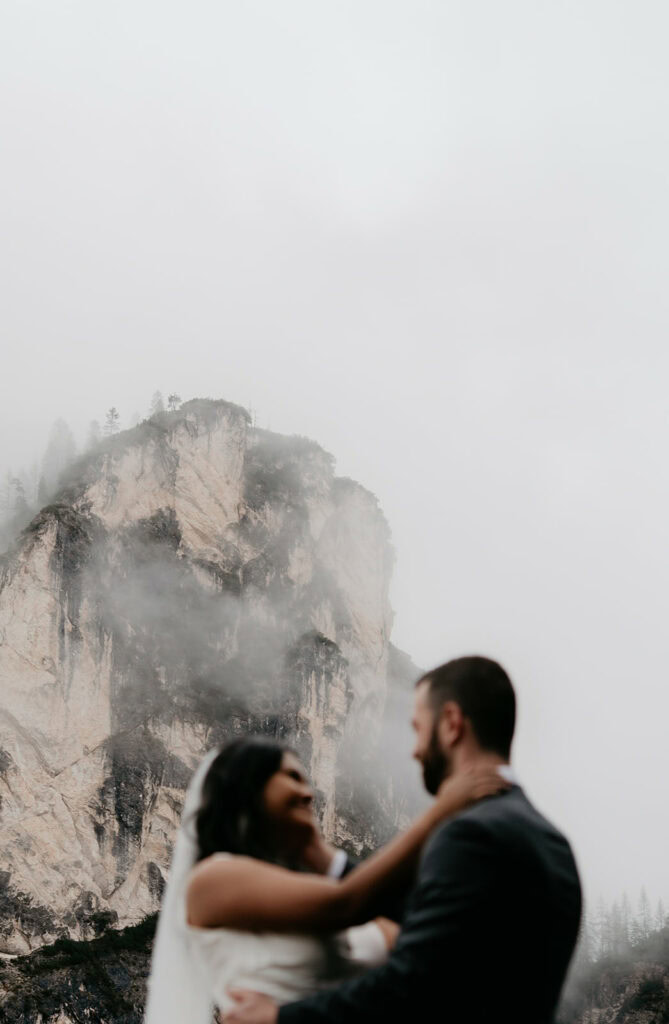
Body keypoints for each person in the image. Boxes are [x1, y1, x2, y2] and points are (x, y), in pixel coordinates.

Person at [223, 655, 583, 1024]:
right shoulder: (554, 845)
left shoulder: (471, 834)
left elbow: (410, 984)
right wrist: (325, 859)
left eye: (417, 728)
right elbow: (425, 922)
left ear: (451, 724)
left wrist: (277, 1017)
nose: (412, 749)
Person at [144, 733, 507, 1022]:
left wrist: (319, 855)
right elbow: (345, 904)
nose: (309, 792)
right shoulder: (214, 878)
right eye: (291, 776)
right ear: (249, 788)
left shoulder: (307, 896)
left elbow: (417, 934)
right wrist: (439, 814)